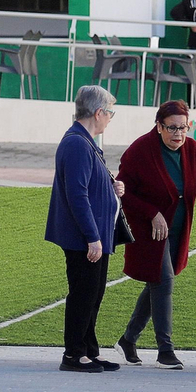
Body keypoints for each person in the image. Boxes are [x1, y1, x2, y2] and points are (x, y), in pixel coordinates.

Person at [115, 100, 196, 370]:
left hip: (177, 227)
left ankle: (128, 340)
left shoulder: (191, 150)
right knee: (163, 282)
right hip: (148, 228)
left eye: (183, 128)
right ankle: (165, 350)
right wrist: (152, 212)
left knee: (157, 282)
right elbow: (123, 192)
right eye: (172, 128)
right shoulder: (140, 150)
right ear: (159, 126)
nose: (178, 134)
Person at [46, 85, 126, 373]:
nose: (110, 119)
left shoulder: (85, 141)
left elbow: (88, 185)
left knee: (94, 294)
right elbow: (76, 194)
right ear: (99, 112)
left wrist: (111, 186)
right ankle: (74, 353)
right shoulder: (77, 144)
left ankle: (88, 351)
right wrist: (92, 237)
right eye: (110, 113)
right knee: (83, 294)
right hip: (85, 238)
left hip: (95, 236)